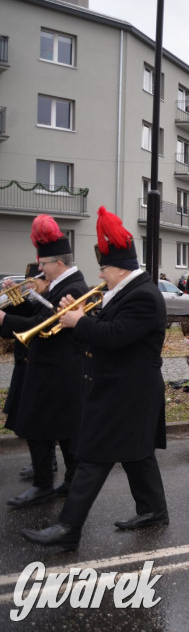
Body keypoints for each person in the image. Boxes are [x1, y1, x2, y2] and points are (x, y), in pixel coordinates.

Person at [21, 207, 168, 550]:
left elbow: (115, 336)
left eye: (103, 269)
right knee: (137, 454)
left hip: (127, 392)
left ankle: (68, 528)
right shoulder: (128, 292)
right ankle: (154, 510)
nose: (100, 275)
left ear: (119, 268)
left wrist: (79, 321)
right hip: (123, 388)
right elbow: (102, 332)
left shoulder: (144, 295)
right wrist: (79, 317)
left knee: (93, 458)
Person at [1, 217, 87, 508]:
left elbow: (41, 325)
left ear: (58, 263)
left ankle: (43, 485)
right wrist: (16, 303)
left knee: (42, 429)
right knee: (60, 430)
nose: (40, 268)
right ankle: (69, 482)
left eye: (44, 263)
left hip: (58, 370)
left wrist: (4, 320)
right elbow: (39, 309)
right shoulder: (62, 283)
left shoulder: (71, 287)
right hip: (53, 368)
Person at [3, 264, 53, 483]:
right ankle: (42, 461)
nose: (30, 286)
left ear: (46, 281)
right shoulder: (35, 299)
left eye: (34, 281)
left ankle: (46, 461)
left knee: (37, 420)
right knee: (25, 417)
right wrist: (15, 296)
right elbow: (22, 315)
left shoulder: (48, 300)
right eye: (28, 282)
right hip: (24, 362)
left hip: (36, 363)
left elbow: (33, 322)